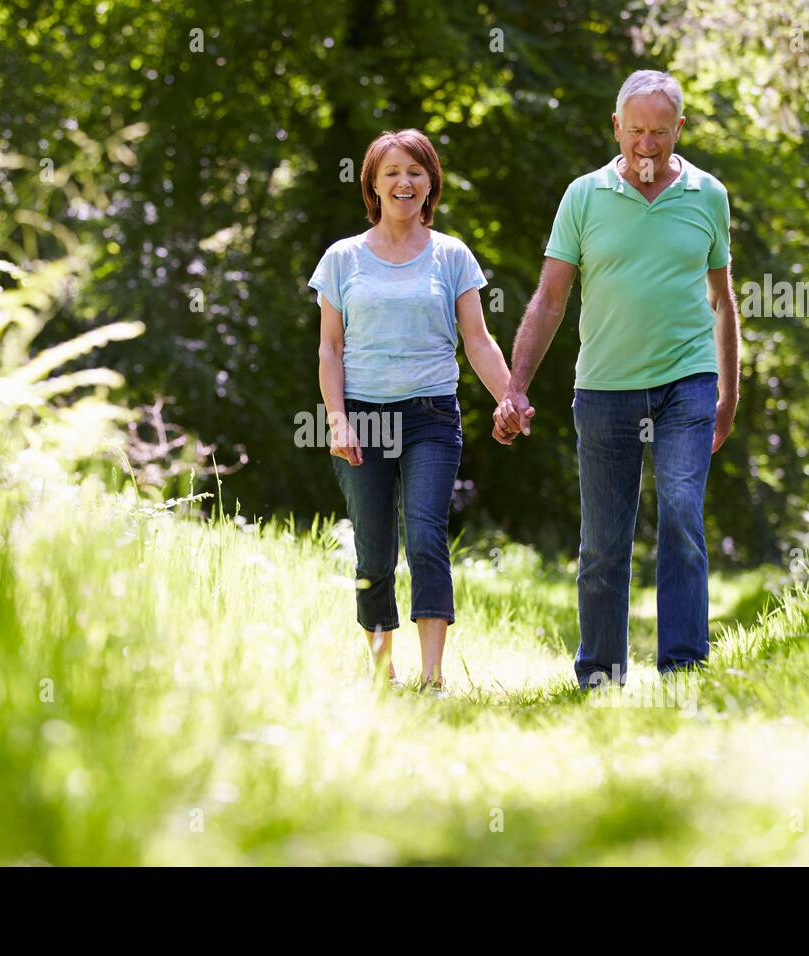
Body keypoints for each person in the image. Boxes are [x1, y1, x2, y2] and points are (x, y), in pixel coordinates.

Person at [494, 70, 741, 691]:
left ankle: (684, 667)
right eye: (636, 131)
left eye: (660, 131)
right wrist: (515, 386)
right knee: (604, 542)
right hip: (605, 387)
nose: (647, 144)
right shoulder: (584, 196)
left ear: (679, 129)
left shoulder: (709, 195)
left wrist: (729, 393)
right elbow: (550, 298)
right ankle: (600, 673)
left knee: (682, 512)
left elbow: (722, 300)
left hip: (688, 380)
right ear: (616, 127)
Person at [309, 128, 514, 696]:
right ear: (373, 184)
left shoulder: (452, 256)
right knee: (374, 546)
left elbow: (477, 340)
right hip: (363, 418)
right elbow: (330, 347)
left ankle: (433, 676)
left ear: (431, 184)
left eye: (416, 172)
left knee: (425, 536)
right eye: (392, 172)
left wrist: (508, 396)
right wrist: (337, 419)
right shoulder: (342, 258)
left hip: (430, 417)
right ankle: (381, 673)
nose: (405, 182)